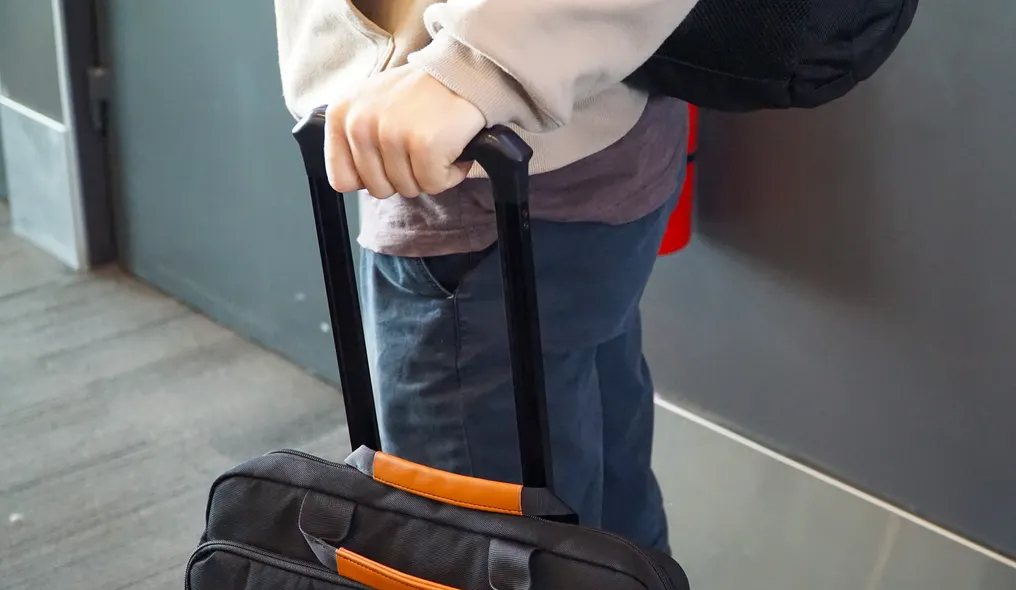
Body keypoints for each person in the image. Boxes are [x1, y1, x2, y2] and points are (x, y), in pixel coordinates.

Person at [272, 0, 697, 553]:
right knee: (600, 523)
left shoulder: (473, 82)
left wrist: (473, 66)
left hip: (478, 152)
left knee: (486, 568)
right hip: (567, 115)